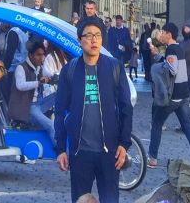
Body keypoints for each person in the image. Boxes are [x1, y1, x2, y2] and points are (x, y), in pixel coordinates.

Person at [54, 18, 132, 203]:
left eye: (97, 35)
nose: (94, 40)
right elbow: (59, 111)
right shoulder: (69, 71)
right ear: (79, 40)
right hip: (80, 152)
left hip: (109, 152)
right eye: (88, 36)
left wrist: (124, 143)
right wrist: (60, 148)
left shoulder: (115, 67)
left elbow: (126, 108)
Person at [146, 22, 190, 167]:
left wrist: (158, 61)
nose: (161, 35)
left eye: (163, 32)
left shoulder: (171, 49)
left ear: (169, 34)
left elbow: (172, 69)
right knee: (188, 127)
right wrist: (159, 56)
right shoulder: (179, 48)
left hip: (173, 95)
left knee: (156, 123)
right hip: (184, 94)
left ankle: (152, 158)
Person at [8, 39, 52, 134]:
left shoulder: (39, 67)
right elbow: (20, 85)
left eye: (42, 55)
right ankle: (59, 145)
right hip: (29, 107)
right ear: (31, 55)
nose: (41, 58)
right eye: (38, 55)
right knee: (51, 126)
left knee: (59, 95)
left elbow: (49, 76)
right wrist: (38, 82)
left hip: (39, 103)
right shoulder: (21, 68)